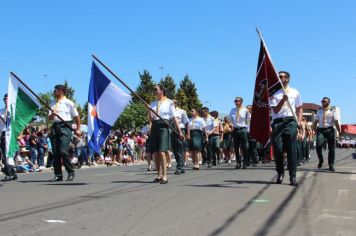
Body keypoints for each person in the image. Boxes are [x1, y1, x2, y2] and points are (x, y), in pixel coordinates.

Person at [270, 71, 303, 186]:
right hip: (278, 122)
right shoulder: (273, 92)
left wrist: (298, 121)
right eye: (278, 76)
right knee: (278, 150)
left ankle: (292, 176)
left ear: (287, 79)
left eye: (281, 76)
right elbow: (275, 110)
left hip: (290, 122)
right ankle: (280, 172)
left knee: (291, 150)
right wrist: (283, 100)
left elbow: (299, 108)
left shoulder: (295, 92)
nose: (278, 78)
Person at [149, 84, 183, 184]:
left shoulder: (169, 102)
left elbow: (174, 117)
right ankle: (159, 175)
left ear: (162, 90)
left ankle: (165, 176)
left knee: (162, 151)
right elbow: (150, 119)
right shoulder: (153, 103)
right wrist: (149, 110)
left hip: (164, 125)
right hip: (154, 125)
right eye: (153, 89)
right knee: (155, 152)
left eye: (156, 89)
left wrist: (179, 131)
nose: (154, 91)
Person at [48, 85, 81, 182]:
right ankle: (58, 175)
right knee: (55, 153)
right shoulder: (53, 103)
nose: (53, 92)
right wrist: (52, 115)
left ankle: (71, 171)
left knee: (63, 151)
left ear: (61, 91)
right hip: (55, 126)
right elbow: (49, 118)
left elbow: (76, 117)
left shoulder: (69, 103)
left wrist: (78, 129)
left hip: (65, 126)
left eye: (55, 91)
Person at [313, 97, 341, 171]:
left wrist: (339, 131)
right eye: (322, 101)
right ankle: (321, 160)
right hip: (321, 130)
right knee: (318, 146)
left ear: (328, 102)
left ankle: (331, 164)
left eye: (324, 101)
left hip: (330, 130)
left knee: (331, 148)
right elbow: (315, 122)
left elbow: (336, 122)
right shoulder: (319, 111)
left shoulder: (333, 111)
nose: (322, 102)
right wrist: (314, 130)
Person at [229, 97, 251, 169]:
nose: (235, 102)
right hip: (235, 130)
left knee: (245, 147)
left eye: (236, 101)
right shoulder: (232, 110)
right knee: (236, 147)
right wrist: (230, 124)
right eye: (235, 101)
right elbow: (230, 120)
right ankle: (238, 162)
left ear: (241, 101)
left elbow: (248, 121)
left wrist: (248, 130)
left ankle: (245, 162)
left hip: (243, 130)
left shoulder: (246, 110)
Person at [0, 94, 18, 182]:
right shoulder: (1, 111)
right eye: (4, 99)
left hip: (11, 134)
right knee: (4, 155)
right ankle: (11, 173)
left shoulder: (14, 110)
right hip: (4, 134)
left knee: (9, 154)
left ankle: (10, 173)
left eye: (7, 99)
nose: (5, 100)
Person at [171, 100, 189, 175]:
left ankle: (179, 167)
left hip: (180, 131)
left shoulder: (182, 111)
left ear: (176, 104)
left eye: (172, 103)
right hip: (171, 131)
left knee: (179, 149)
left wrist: (187, 133)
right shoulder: (168, 112)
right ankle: (181, 166)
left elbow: (186, 122)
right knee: (174, 150)